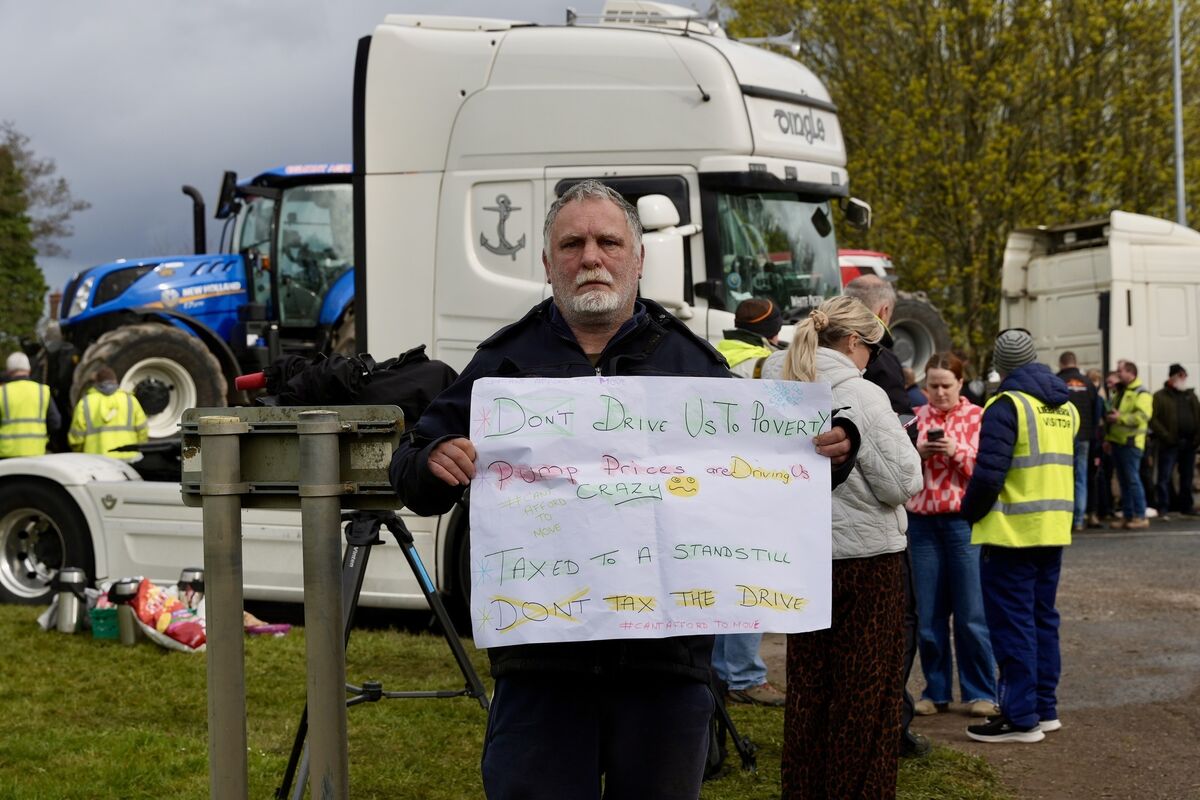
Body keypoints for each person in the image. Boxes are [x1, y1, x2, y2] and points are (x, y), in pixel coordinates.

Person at [388, 180, 856, 800]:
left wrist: (832, 451)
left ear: (637, 259)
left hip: (666, 673)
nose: (591, 257)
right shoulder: (503, 364)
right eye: (573, 243)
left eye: (608, 241)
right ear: (548, 261)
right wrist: (429, 462)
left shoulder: (693, 363)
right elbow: (414, 465)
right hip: (541, 670)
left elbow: (766, 469)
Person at [762, 295, 923, 798]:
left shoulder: (771, 384)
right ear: (854, 342)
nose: (873, 359)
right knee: (866, 698)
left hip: (803, 558)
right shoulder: (863, 394)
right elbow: (903, 482)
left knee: (809, 690)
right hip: (866, 564)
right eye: (872, 349)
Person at [960, 328, 1078, 743]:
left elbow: (989, 474)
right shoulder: (1065, 407)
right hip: (1052, 530)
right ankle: (1045, 710)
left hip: (1010, 534)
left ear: (1001, 365)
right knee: (1043, 622)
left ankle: (1019, 718)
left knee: (1013, 628)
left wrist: (968, 512)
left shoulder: (1006, 404)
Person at [843, 273, 928, 759]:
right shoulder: (882, 367)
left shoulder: (795, 363)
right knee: (895, 626)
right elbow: (898, 469)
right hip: (874, 525)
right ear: (885, 315)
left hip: (823, 524)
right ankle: (887, 722)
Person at [906, 353, 996, 719]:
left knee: (972, 614)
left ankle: (980, 692)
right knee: (928, 615)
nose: (939, 392)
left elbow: (988, 472)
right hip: (923, 525)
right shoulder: (914, 417)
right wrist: (919, 454)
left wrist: (957, 452)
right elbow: (898, 471)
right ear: (925, 385)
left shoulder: (978, 417)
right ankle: (936, 690)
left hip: (963, 523)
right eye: (933, 386)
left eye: (946, 385)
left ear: (961, 383)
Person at [713, 297, 787, 706]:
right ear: (773, 331)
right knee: (751, 577)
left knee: (721, 574)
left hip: (715, 480)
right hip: (754, 481)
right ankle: (744, 675)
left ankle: (724, 672)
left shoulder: (714, 352)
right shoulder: (768, 364)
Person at [1105, 359, 1153, 530]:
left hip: (1131, 443)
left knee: (1133, 480)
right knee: (1124, 482)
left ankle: (1140, 516)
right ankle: (1128, 515)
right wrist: (1108, 438)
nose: (1118, 374)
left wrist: (1120, 418)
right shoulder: (1121, 391)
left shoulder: (1141, 393)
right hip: (1118, 441)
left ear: (1131, 373)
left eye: (1120, 371)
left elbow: (1142, 416)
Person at [1150, 364, 1200, 520]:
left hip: (1189, 443)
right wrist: (1166, 436)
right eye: (1180, 376)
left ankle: (1186, 505)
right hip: (1170, 443)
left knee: (1187, 476)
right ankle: (1164, 505)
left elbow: (1198, 417)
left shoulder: (1190, 396)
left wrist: (1197, 438)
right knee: (1164, 476)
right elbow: (1154, 419)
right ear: (1172, 377)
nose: (1183, 379)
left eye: (1184, 376)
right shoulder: (1160, 396)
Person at [67, 366, 148, 460]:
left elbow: (76, 437)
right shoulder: (130, 400)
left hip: (96, 460)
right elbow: (143, 431)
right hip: (129, 458)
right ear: (115, 381)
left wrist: (80, 453)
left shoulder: (85, 403)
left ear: (96, 382)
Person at [1057, 352, 1099, 532]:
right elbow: (1096, 411)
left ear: (1061, 364)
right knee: (1081, 477)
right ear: (1076, 362)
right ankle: (1079, 519)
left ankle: (1063, 518)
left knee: (1060, 478)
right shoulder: (1088, 383)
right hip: (1084, 436)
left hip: (1062, 435)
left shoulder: (1056, 381)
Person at [0, 352, 61, 458]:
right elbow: (55, 423)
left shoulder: (2, 392)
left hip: (6, 457)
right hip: (36, 454)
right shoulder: (43, 391)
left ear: (9, 372)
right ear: (28, 370)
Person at [715, 297, 783, 378]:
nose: (778, 339)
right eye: (777, 333)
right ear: (770, 334)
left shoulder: (716, 353)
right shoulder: (768, 366)